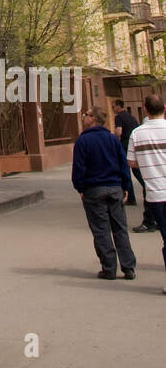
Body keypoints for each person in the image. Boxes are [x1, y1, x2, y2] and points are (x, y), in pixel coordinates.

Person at [71, 106, 136, 280]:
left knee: (101, 230)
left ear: (93, 119)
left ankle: (109, 268)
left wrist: (81, 188)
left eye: (87, 115)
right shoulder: (112, 139)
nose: (84, 117)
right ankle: (128, 266)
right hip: (114, 188)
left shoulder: (83, 142)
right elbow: (123, 164)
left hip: (93, 190)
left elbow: (78, 169)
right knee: (120, 228)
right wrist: (126, 187)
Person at [126, 95, 166, 293]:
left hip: (156, 193)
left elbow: (132, 163)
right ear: (164, 108)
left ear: (145, 110)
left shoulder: (137, 133)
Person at [110, 100, 139, 206]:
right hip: (134, 144)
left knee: (125, 171)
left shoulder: (118, 117)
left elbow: (119, 131)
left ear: (118, 106)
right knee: (136, 170)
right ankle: (146, 188)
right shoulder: (131, 117)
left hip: (124, 145)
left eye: (113, 106)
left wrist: (115, 138)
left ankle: (130, 197)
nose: (112, 109)